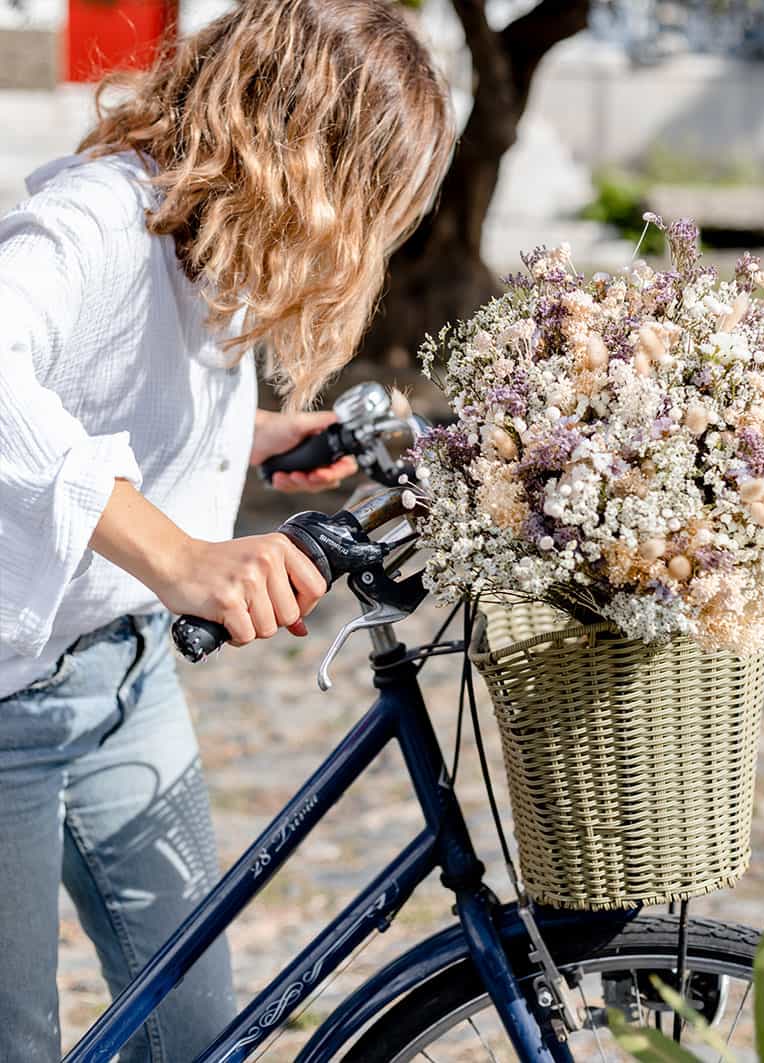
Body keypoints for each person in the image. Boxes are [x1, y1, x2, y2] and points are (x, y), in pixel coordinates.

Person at [0, 0, 454, 1058]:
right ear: (305, 158)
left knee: (201, 1031)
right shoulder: (105, 219)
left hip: (120, 671)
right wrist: (184, 557)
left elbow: (107, 391)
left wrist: (249, 436)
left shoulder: (219, 245)